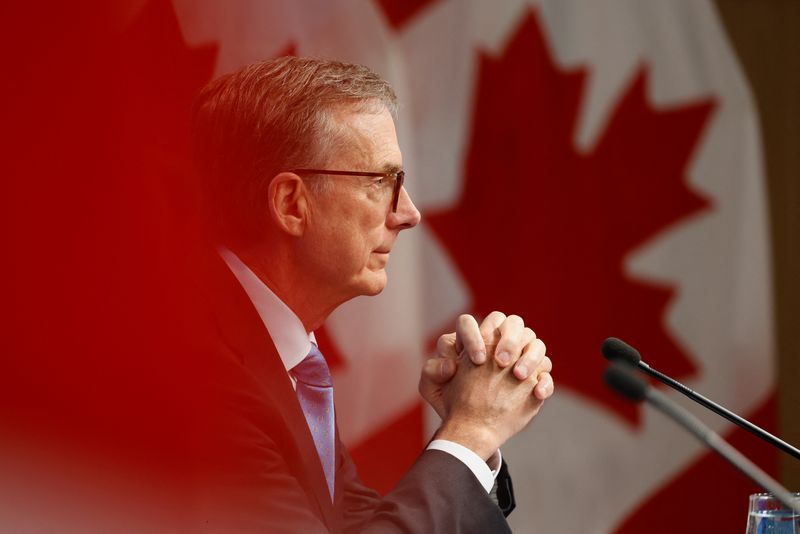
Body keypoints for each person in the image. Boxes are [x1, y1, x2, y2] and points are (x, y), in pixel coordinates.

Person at [189, 56, 554, 532]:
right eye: (381, 181)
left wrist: (470, 438)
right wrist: (471, 430)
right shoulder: (201, 373)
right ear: (291, 204)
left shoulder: (282, 355)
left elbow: (352, 524)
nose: (409, 213)